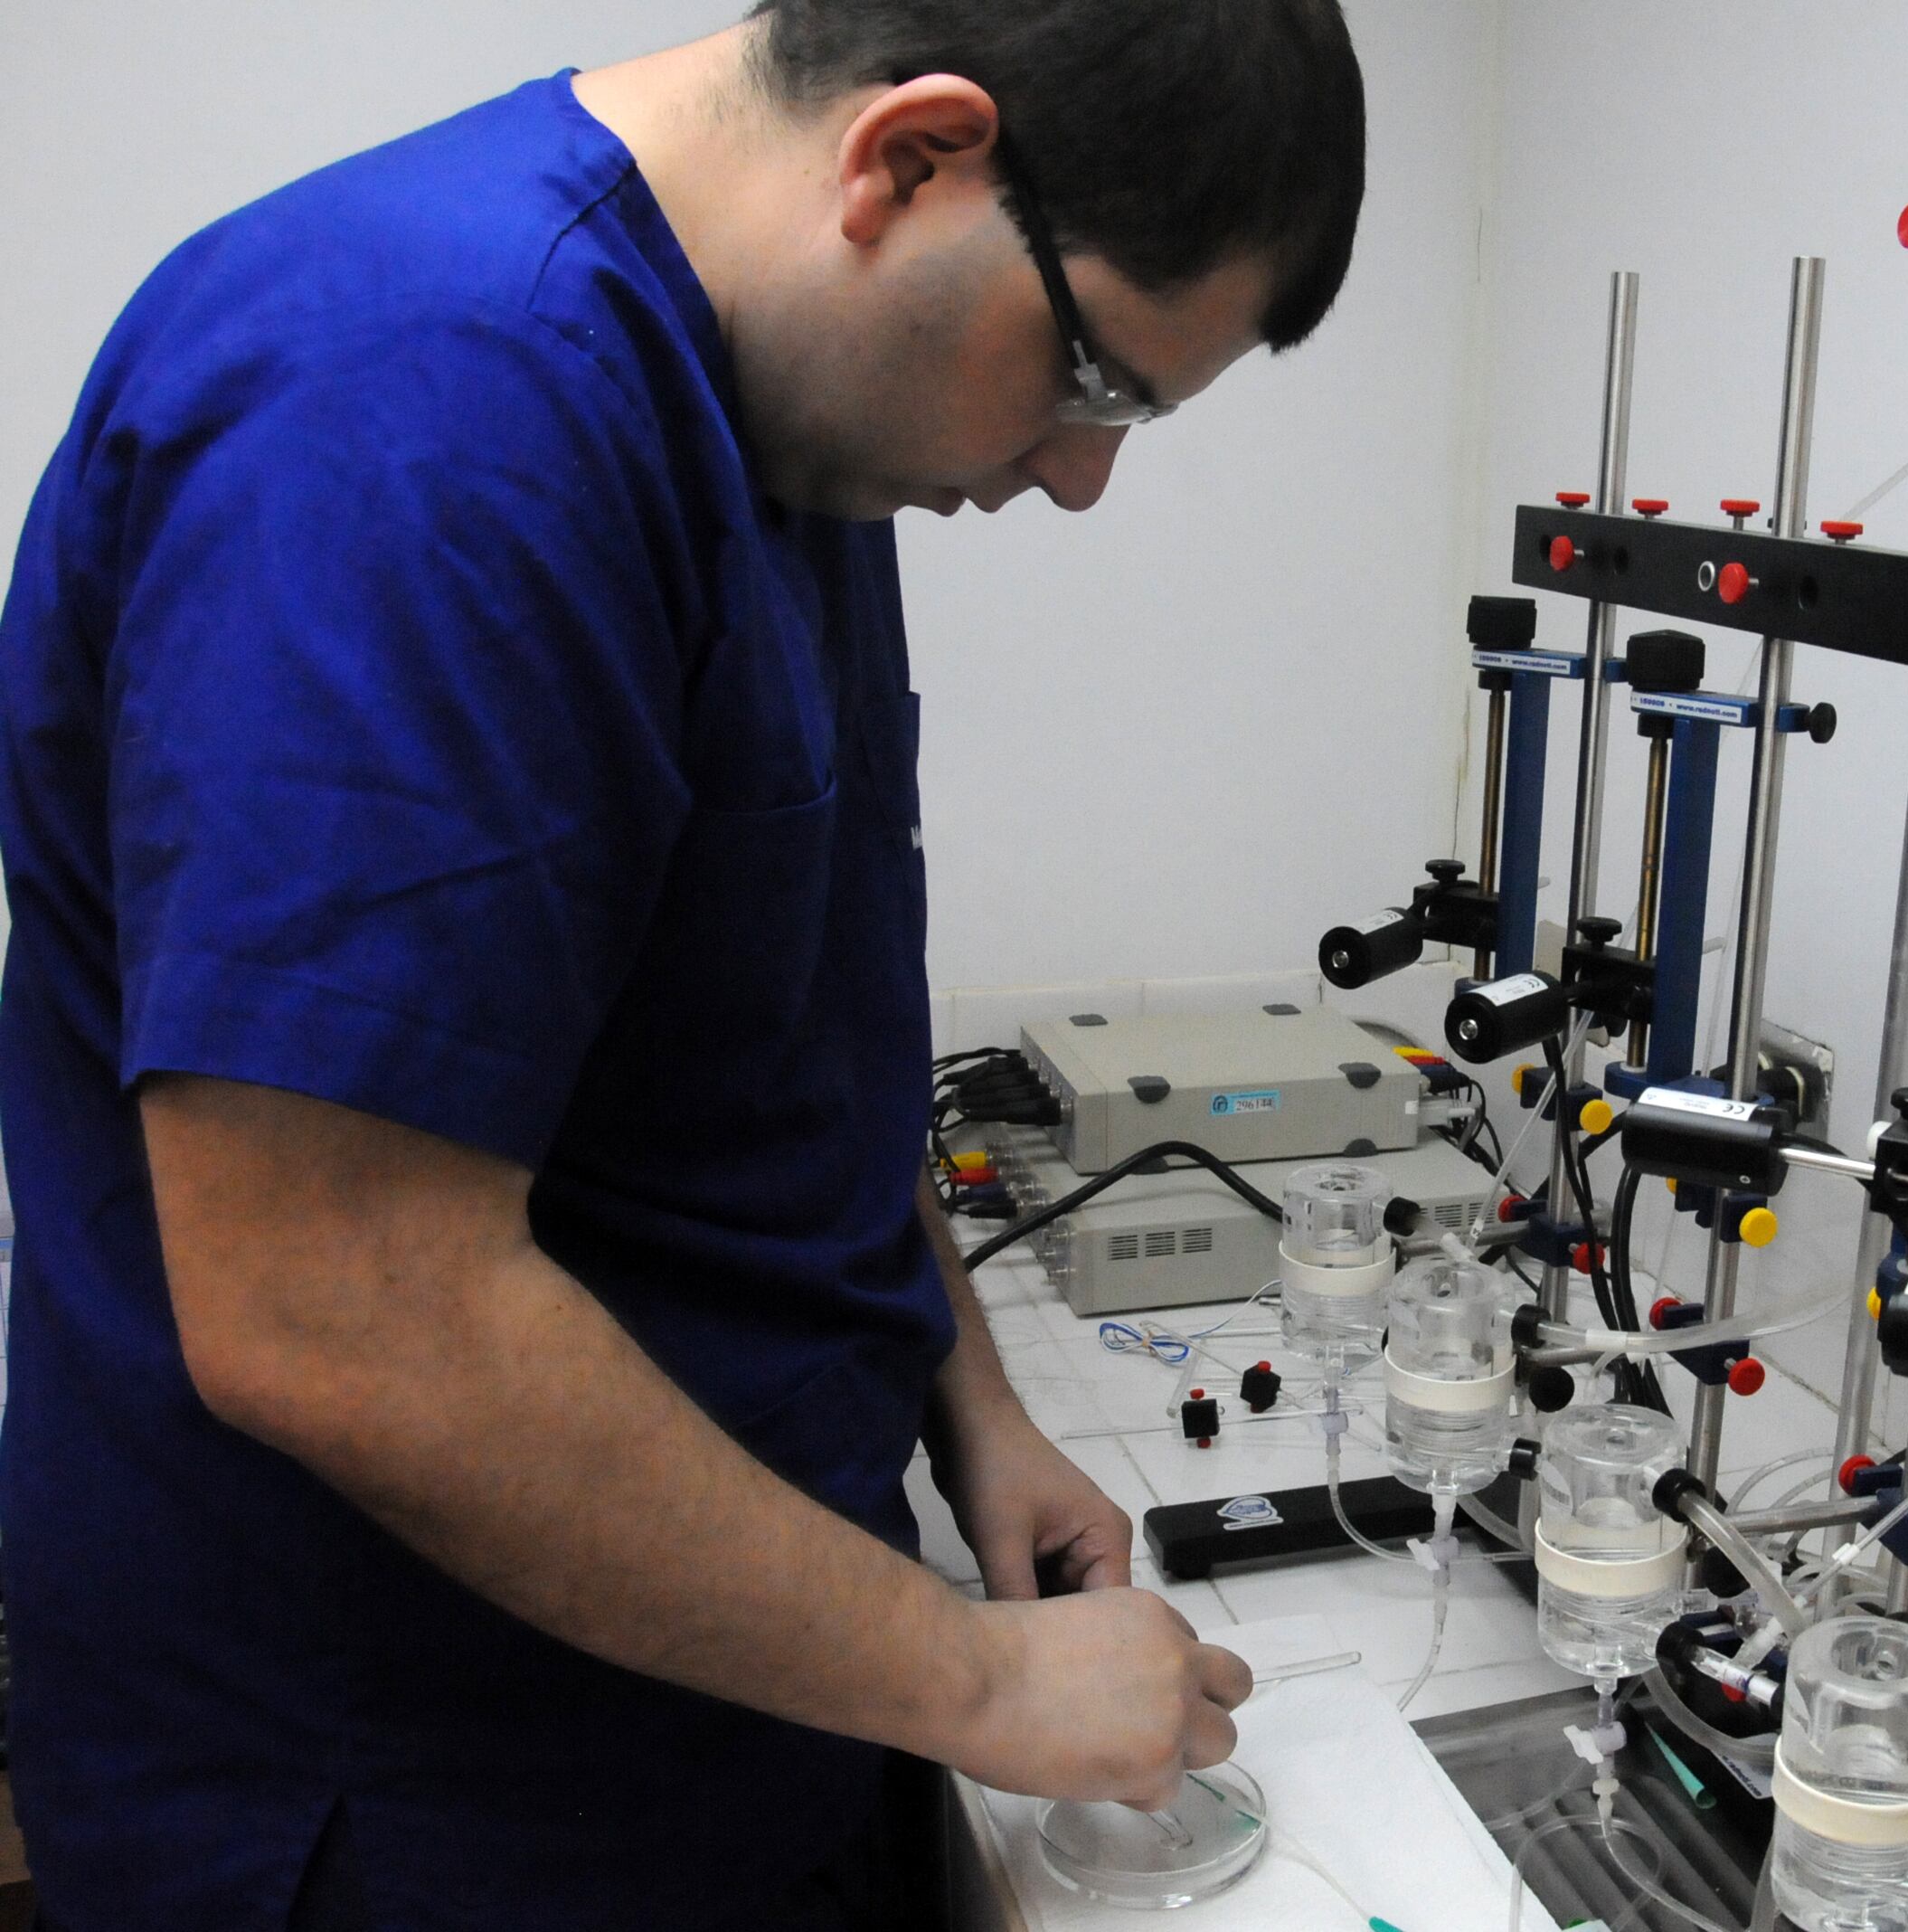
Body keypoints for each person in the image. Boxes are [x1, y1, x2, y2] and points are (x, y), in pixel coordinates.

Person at [0, 0, 1365, 1925]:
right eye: (1099, 384)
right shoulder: (425, 411)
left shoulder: (791, 417)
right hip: (419, 1809)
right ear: (912, 158)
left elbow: (790, 1024)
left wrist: (974, 1413)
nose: (1079, 480)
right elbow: (343, 1311)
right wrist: (974, 1677)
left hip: (747, 1703)